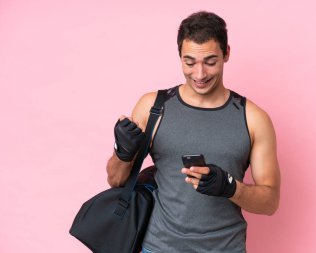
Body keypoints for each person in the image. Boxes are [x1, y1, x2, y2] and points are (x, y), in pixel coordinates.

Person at [106, 11, 281, 253]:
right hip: (158, 247)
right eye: (190, 62)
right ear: (180, 56)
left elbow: (270, 202)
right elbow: (116, 179)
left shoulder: (253, 119)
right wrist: (122, 151)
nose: (199, 75)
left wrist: (230, 187)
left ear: (226, 53)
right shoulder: (153, 107)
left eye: (210, 61)